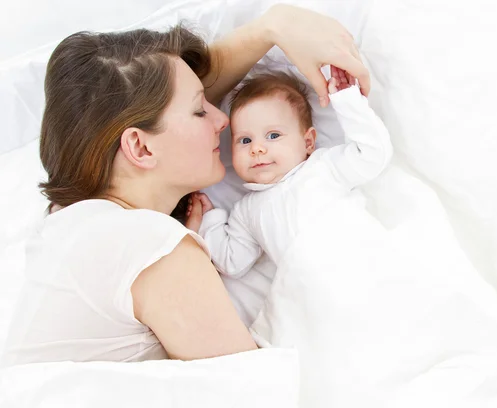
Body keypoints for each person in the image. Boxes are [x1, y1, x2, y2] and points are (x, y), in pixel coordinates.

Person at [1, 4, 371, 366]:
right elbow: (252, 393)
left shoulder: (67, 223)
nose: (222, 119)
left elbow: (144, 102)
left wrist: (272, 26)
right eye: (200, 109)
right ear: (140, 146)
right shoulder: (153, 248)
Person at [184, 68, 392, 278]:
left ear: (308, 142)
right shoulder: (246, 211)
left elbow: (373, 154)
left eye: (273, 135)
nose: (257, 149)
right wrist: (210, 218)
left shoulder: (324, 167)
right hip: (309, 289)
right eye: (245, 140)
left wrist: (348, 100)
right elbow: (232, 263)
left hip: (364, 261)